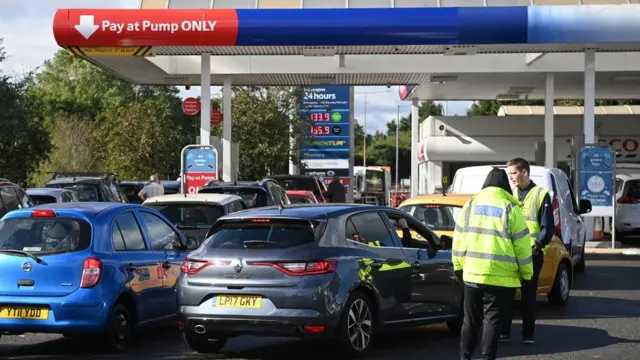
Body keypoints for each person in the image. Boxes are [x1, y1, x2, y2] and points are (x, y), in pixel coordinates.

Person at [453, 168, 533, 360]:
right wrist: (527, 274)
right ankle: (487, 358)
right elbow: (522, 247)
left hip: (472, 274)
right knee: (493, 320)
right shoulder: (510, 208)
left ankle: (465, 357)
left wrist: (458, 265)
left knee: (470, 320)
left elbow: (459, 239)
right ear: (505, 185)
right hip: (501, 278)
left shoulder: (470, 205)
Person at [501, 158, 555, 344]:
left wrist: (537, 246)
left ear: (525, 172)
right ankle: (504, 332)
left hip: (532, 254)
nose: (511, 178)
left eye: (513, 173)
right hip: (510, 253)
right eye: (509, 175)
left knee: (528, 296)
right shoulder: (510, 194)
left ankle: (527, 335)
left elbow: (548, 227)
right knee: (506, 294)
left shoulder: (541, 194)